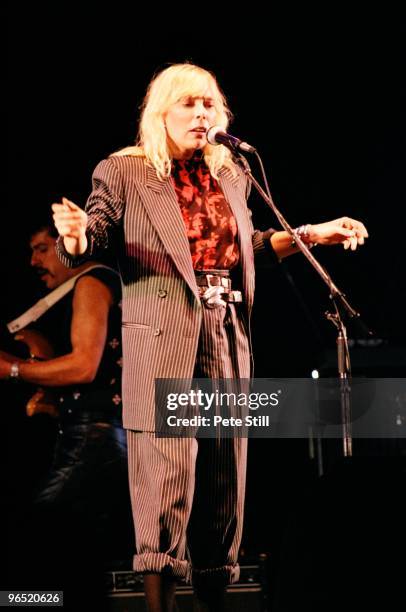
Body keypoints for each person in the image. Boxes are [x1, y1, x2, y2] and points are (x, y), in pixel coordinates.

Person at [51, 63, 368, 612]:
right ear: (161, 113)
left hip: (226, 331)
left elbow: (253, 246)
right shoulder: (125, 171)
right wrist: (75, 240)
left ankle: (219, 595)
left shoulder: (232, 173)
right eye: (189, 105)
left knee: (226, 480)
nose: (202, 115)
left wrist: (313, 234)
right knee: (168, 481)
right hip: (164, 336)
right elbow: (95, 236)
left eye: (209, 105)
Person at [1, 224, 133, 610]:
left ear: (69, 246)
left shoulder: (92, 282)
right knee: (69, 560)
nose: (33, 261)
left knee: (36, 549)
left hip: (95, 439)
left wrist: (13, 370)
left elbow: (83, 368)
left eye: (41, 249)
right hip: (98, 437)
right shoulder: (90, 286)